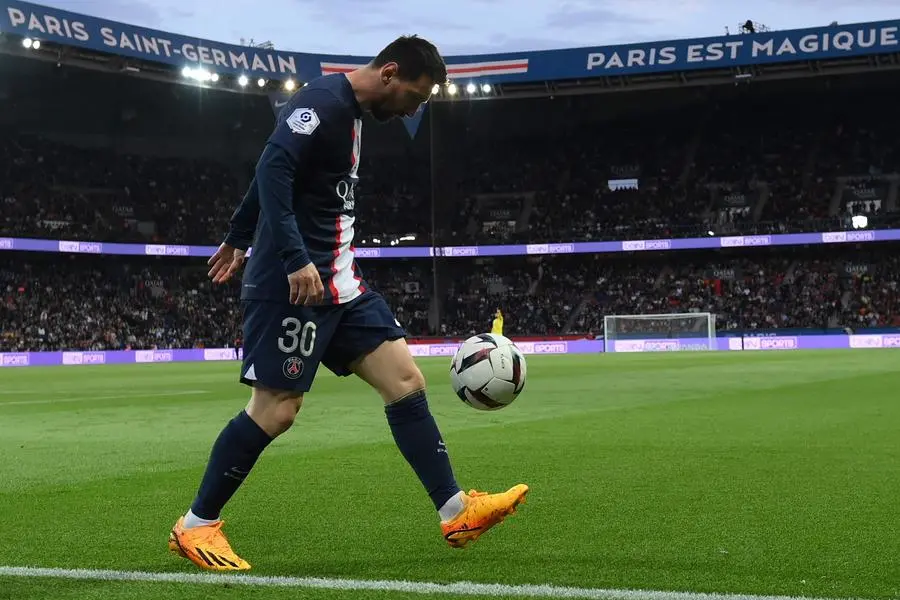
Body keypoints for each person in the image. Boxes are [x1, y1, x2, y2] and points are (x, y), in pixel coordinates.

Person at [167, 35, 528, 572]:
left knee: (405, 381)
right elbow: (272, 169)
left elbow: (274, 175)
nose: (416, 107)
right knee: (277, 410)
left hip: (339, 282)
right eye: (416, 94)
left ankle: (455, 511)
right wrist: (287, 256)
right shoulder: (323, 104)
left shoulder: (353, 113)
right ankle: (196, 526)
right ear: (389, 73)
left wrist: (240, 234)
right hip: (294, 283)